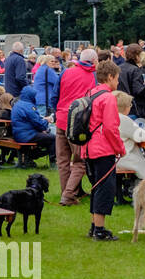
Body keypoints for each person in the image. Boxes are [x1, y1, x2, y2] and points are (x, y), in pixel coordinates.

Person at [82, 60, 123, 241]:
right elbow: (110, 128)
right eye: (117, 78)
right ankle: (100, 229)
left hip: (88, 148)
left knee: (96, 187)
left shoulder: (91, 93)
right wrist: (120, 148)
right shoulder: (108, 98)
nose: (118, 82)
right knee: (105, 189)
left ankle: (94, 226)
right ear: (110, 77)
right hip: (103, 149)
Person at [54, 47, 98, 206]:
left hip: (61, 118)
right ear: (93, 61)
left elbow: (55, 94)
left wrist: (56, 111)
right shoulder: (93, 76)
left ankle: (68, 191)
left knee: (63, 160)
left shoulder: (66, 72)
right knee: (81, 160)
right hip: (78, 122)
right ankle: (68, 195)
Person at [113, 90, 145, 178]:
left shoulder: (108, 117)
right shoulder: (124, 119)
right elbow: (141, 137)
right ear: (125, 107)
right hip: (123, 158)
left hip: (110, 158)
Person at [11, 85, 54, 161]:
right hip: (27, 136)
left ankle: (30, 157)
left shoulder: (18, 104)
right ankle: (53, 160)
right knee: (53, 138)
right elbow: (40, 125)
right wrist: (47, 120)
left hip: (19, 134)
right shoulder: (29, 107)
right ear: (31, 96)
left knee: (46, 136)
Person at [116, 44, 145, 122]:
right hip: (134, 109)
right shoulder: (135, 70)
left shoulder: (119, 68)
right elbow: (138, 91)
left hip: (120, 106)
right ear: (137, 56)